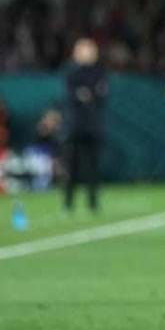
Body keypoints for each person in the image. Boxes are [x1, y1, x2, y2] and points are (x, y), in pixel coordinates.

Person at [63, 38, 108, 214]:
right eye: (84, 49)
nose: (88, 53)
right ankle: (68, 203)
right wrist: (86, 95)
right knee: (71, 167)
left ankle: (93, 203)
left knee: (93, 168)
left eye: (91, 50)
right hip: (74, 127)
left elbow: (101, 95)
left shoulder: (99, 72)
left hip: (93, 127)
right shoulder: (71, 72)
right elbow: (73, 96)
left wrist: (87, 95)